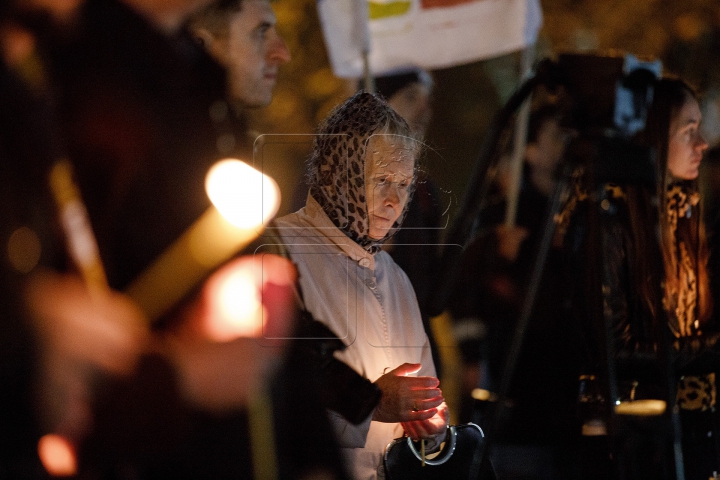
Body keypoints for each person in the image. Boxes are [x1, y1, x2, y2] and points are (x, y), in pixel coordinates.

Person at [273, 91, 449, 479]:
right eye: (382, 180)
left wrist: (430, 431)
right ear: (339, 172)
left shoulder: (397, 280)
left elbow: (426, 413)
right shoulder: (280, 252)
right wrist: (370, 406)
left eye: (403, 185)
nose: (393, 201)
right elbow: (276, 398)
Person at [572, 77, 720, 480]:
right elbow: (613, 351)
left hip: (685, 429)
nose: (702, 143)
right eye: (688, 130)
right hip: (631, 440)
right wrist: (709, 350)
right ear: (652, 138)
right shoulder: (611, 222)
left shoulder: (682, 219)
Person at [448, 103, 580, 479]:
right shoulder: (501, 219)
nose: (567, 143)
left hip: (570, 397)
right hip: (517, 395)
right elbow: (463, 291)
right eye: (556, 135)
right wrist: (494, 251)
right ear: (531, 150)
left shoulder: (582, 215)